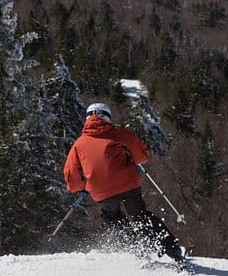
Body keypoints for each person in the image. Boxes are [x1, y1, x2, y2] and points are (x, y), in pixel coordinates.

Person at [63, 102, 186, 267]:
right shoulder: (119, 133)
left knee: (112, 217)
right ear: (107, 117)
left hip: (101, 191)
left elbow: (72, 179)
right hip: (127, 184)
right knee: (140, 216)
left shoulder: (78, 144)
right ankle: (172, 250)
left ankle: (135, 248)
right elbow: (142, 156)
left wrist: (83, 185)